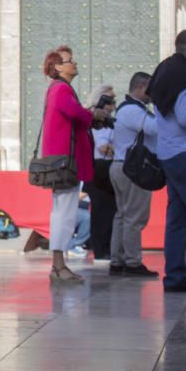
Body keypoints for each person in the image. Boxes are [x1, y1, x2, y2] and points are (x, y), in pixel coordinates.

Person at [38, 47, 109, 283]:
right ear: (58, 67)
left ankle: (59, 264)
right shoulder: (60, 89)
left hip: (64, 161)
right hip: (65, 162)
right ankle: (58, 265)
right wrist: (93, 113)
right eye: (70, 61)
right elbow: (75, 112)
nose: (75, 63)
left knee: (63, 210)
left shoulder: (60, 89)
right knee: (64, 213)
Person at [148, 30, 186, 293]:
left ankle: (175, 277)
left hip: (169, 153)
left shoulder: (165, 70)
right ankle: (176, 276)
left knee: (177, 218)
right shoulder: (184, 76)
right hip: (185, 153)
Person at [108, 72, 159, 278]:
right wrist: (161, 107)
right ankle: (132, 262)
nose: (152, 94)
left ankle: (118, 260)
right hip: (132, 170)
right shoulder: (132, 110)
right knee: (134, 218)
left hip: (122, 166)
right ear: (139, 88)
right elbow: (154, 129)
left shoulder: (126, 109)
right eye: (150, 89)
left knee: (122, 216)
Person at [83, 85, 117, 260]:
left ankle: (109, 248)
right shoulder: (90, 117)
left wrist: (112, 148)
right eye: (109, 99)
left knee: (111, 210)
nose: (113, 103)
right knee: (100, 210)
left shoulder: (112, 121)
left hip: (110, 166)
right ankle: (100, 250)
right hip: (96, 168)